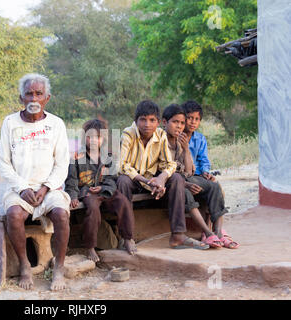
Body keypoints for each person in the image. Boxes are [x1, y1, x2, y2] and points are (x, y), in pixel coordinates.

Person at [0, 73, 71, 291]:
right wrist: (22, 188)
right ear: (21, 98)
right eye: (29, 94)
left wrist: (46, 187)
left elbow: (62, 163)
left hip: (49, 187)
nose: (33, 99)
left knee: (61, 214)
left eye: (38, 94)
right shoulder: (10, 123)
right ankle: (24, 265)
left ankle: (59, 267)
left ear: (47, 98)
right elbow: (3, 162)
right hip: (19, 188)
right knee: (13, 214)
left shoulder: (56, 124)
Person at [117, 100, 208, 250]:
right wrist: (148, 181)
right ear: (136, 121)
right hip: (135, 179)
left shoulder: (160, 135)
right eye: (143, 120)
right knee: (123, 181)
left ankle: (178, 235)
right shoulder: (128, 134)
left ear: (158, 122)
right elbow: (123, 166)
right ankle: (127, 237)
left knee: (177, 178)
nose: (147, 124)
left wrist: (161, 178)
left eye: (152, 120)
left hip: (153, 179)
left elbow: (169, 164)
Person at [64, 119, 137, 262]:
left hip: (106, 191)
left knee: (123, 202)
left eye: (97, 137)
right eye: (89, 137)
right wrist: (73, 196)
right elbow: (71, 181)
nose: (92, 141)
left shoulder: (108, 157)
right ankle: (90, 246)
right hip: (88, 192)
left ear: (102, 139)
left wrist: (103, 187)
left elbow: (112, 178)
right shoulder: (76, 158)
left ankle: (127, 238)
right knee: (92, 209)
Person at [181, 100, 239, 249]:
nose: (193, 122)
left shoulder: (200, 139)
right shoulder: (176, 136)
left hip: (199, 177)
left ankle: (218, 232)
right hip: (182, 177)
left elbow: (204, 160)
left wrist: (207, 173)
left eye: (197, 119)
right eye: (189, 118)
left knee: (214, 185)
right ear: (183, 118)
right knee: (188, 190)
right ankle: (207, 232)